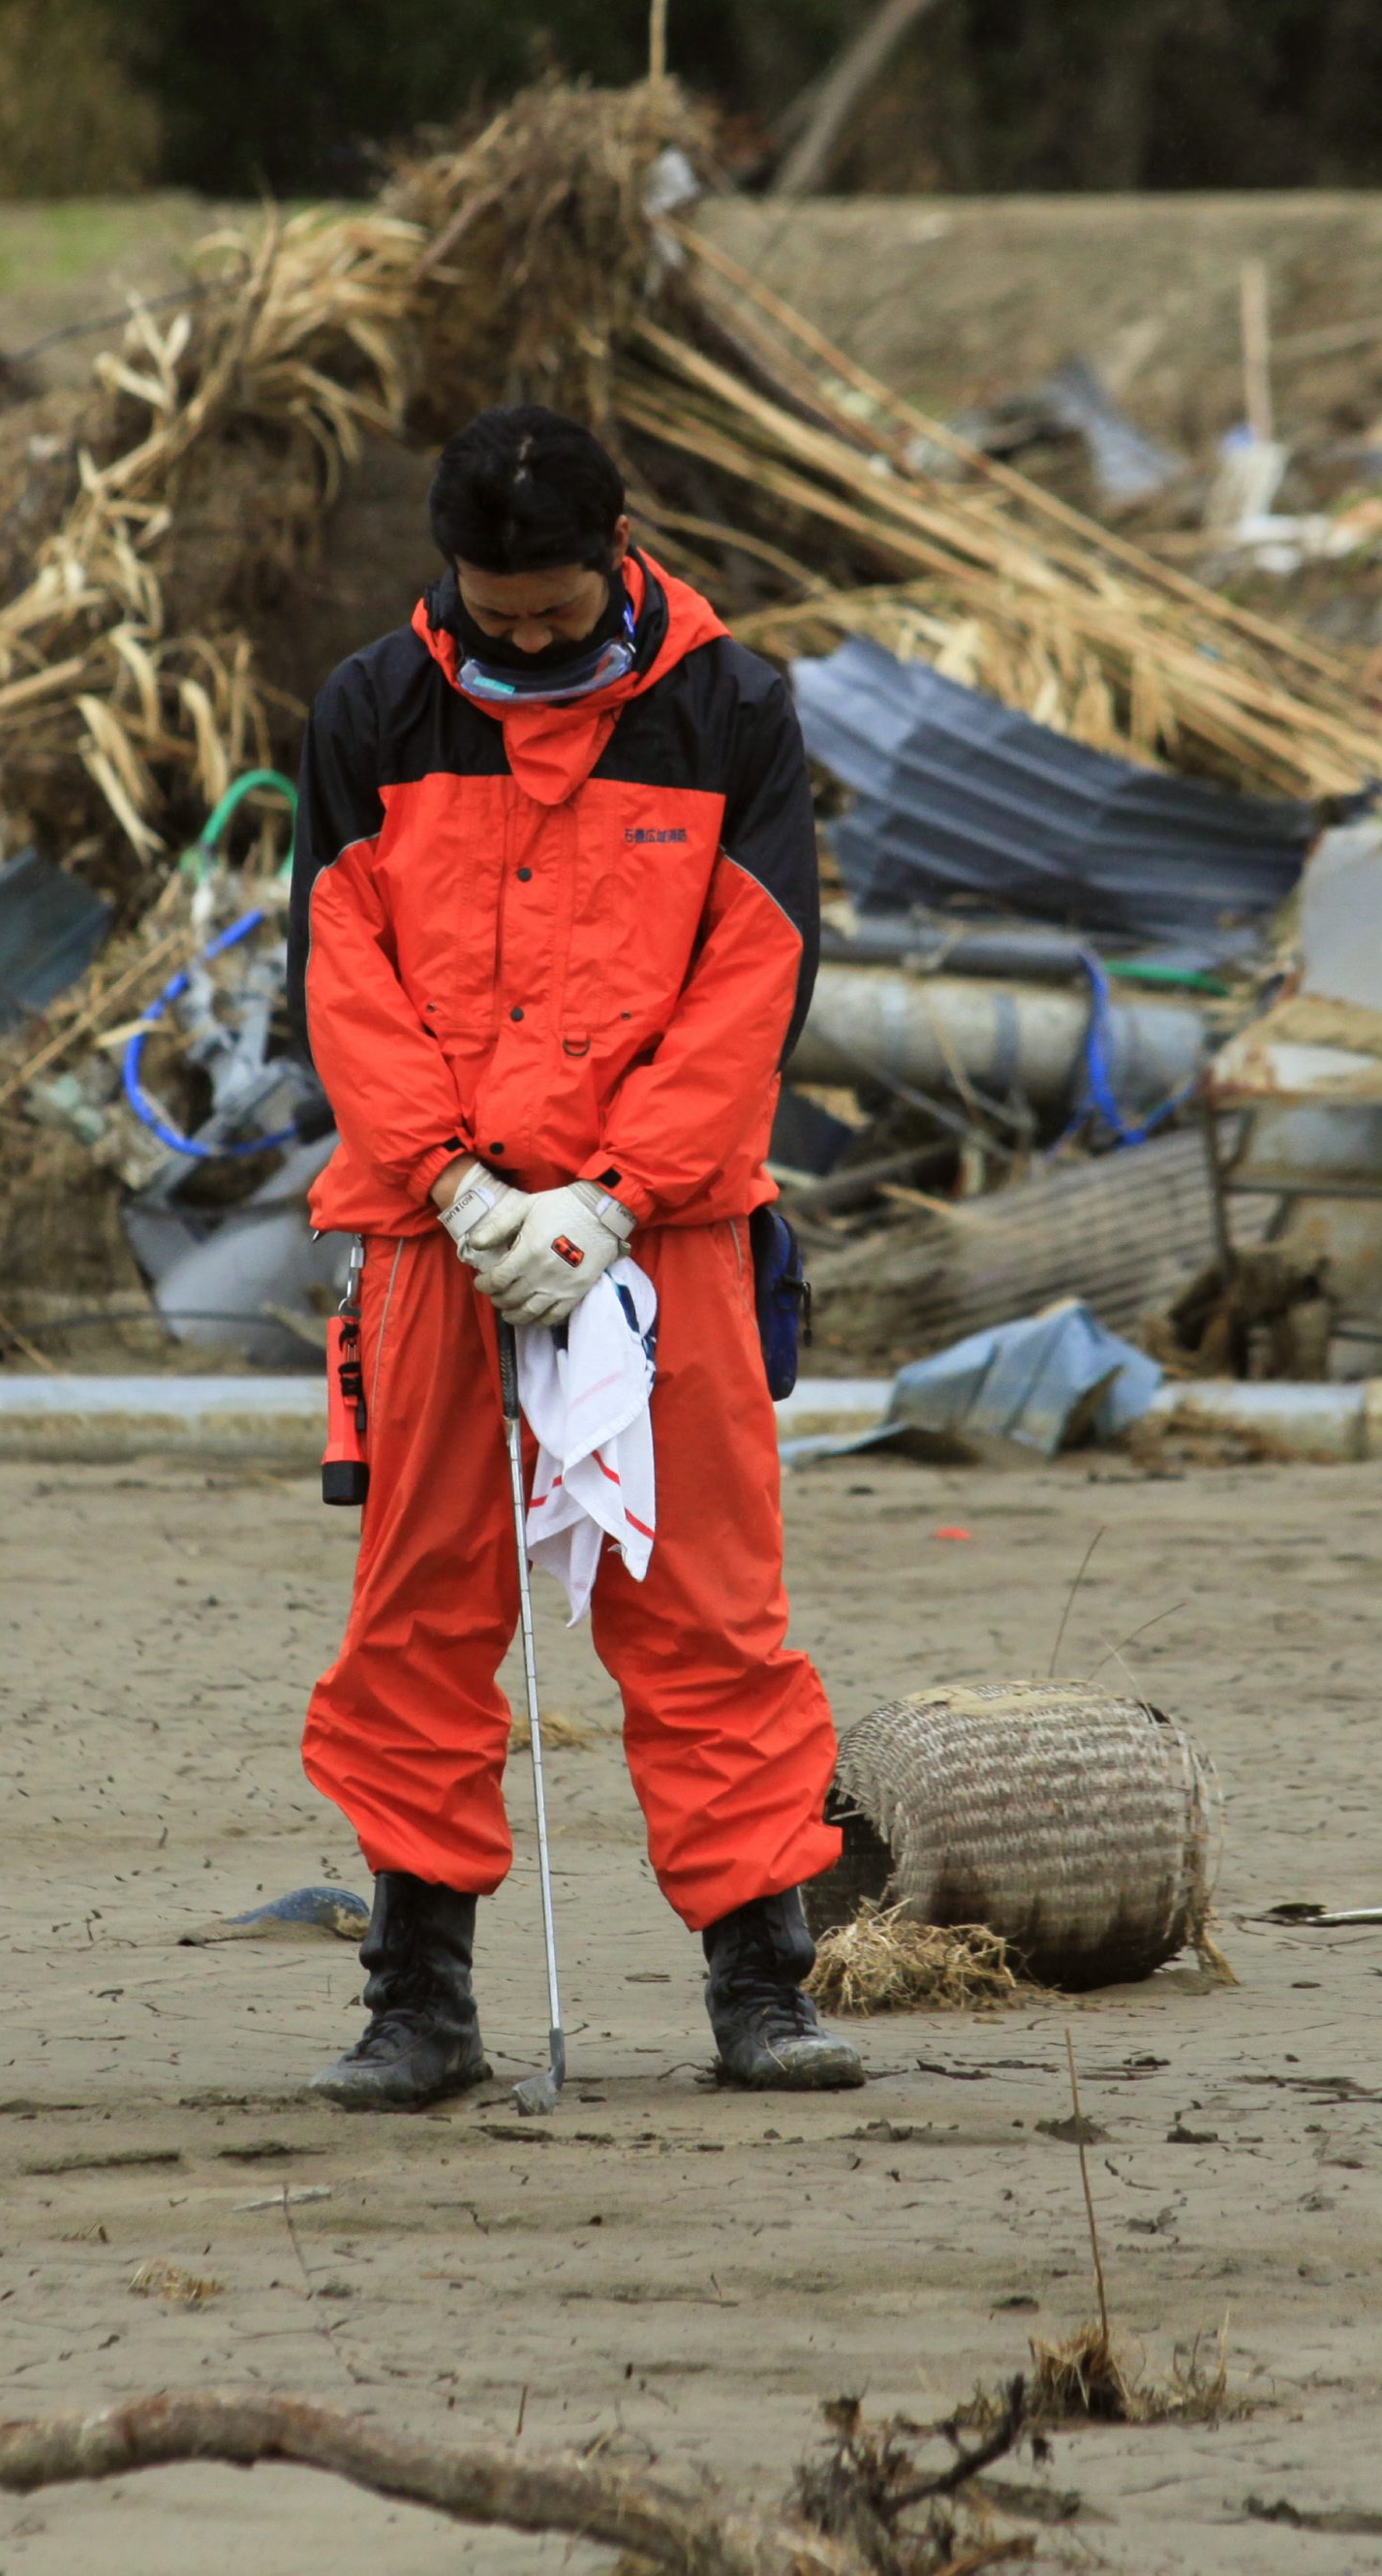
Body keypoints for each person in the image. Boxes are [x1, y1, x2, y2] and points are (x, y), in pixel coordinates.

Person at [285, 403, 864, 2110]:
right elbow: (342, 965)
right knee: (420, 1607)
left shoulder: (732, 709)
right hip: (434, 1236)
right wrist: (457, 1186)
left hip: (668, 1233)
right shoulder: (371, 710)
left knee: (709, 1612)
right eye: (497, 616)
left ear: (620, 554)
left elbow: (756, 973)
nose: (528, 643)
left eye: (554, 613)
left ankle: (765, 1986)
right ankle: (419, 2002)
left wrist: (613, 1199)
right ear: (449, 579)